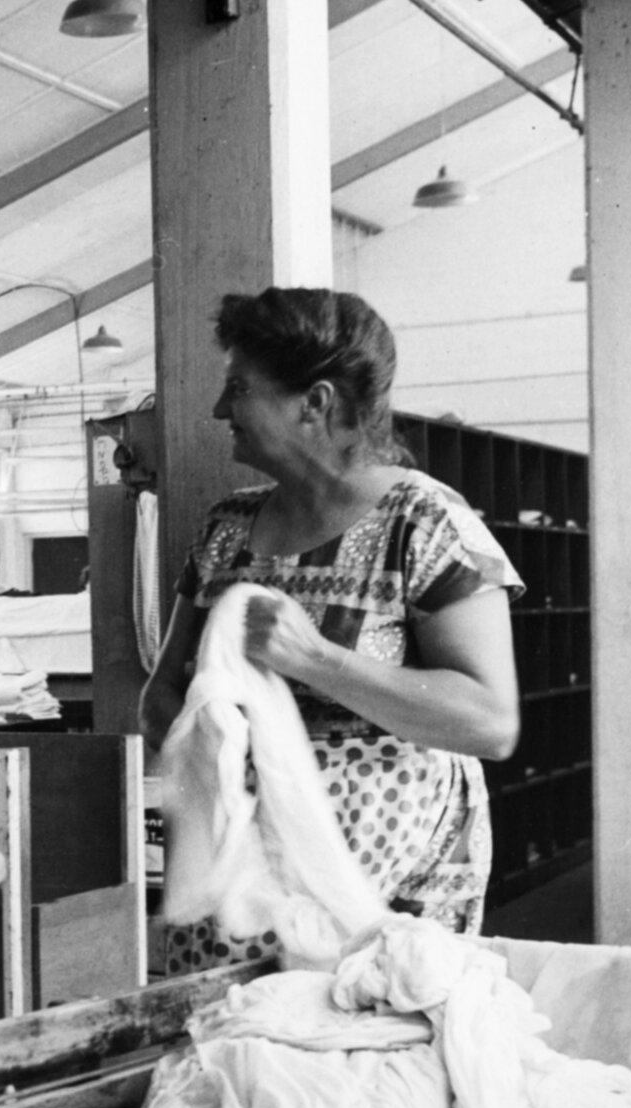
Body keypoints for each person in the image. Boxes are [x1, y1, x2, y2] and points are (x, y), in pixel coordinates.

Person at [139, 287, 521, 971]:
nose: (220, 409)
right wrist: (226, 773)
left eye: (239, 388)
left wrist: (316, 660)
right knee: (230, 1025)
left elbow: (490, 723)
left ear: (314, 403)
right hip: (241, 874)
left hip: (380, 889)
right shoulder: (227, 529)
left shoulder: (423, 522)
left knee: (358, 1022)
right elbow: (161, 693)